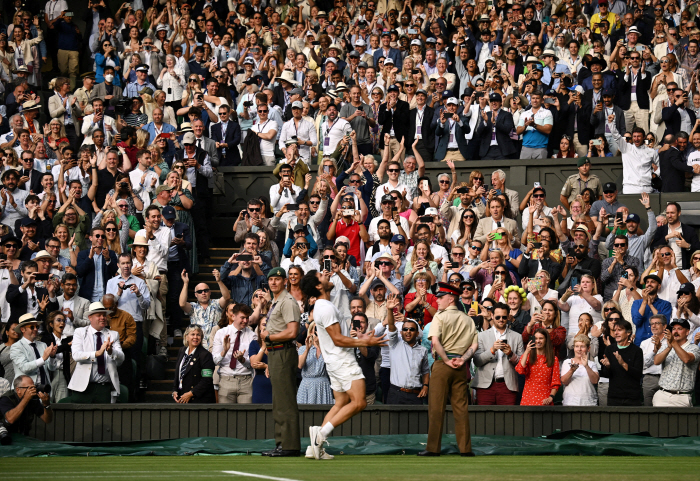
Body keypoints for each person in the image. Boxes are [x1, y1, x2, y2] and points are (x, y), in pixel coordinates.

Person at [302, 270, 387, 461]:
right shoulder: (325, 308)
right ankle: (320, 436)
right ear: (318, 286)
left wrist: (360, 338)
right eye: (321, 276)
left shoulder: (323, 306)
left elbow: (339, 338)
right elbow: (338, 339)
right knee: (359, 402)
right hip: (343, 361)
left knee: (340, 403)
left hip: (335, 362)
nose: (326, 275)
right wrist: (365, 343)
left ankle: (313, 447)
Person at [420, 282, 477, 457]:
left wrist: (445, 360)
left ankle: (433, 448)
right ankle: (465, 449)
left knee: (436, 408)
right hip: (460, 365)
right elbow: (474, 345)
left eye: (440, 297)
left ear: (451, 298)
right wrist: (462, 359)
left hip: (442, 365)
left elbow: (435, 342)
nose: (437, 300)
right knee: (461, 408)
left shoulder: (440, 316)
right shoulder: (468, 319)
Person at [259, 267, 301, 457]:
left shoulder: (287, 301)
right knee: (278, 401)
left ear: (285, 281)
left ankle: (290, 446)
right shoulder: (275, 301)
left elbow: (292, 332)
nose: (273, 282)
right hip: (275, 353)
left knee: (285, 401)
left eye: (277, 279)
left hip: (283, 352)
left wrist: (270, 337)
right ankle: (281, 444)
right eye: (271, 280)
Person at [62, 302, 125, 404]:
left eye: (104, 315)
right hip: (83, 387)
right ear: (90, 318)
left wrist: (111, 351)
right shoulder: (80, 332)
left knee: (103, 418)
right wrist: (96, 353)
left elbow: (121, 359)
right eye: (98, 315)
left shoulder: (113, 335)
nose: (103, 318)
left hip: (104, 387)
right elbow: (76, 355)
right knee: (79, 418)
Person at [473, 302, 524, 405]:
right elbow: (477, 361)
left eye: (504, 317)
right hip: (485, 385)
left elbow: (522, 365)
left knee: (508, 419)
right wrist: (492, 350)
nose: (501, 319)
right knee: (484, 418)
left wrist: (510, 354)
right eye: (497, 317)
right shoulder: (481, 336)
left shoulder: (517, 337)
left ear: (508, 317)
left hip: (508, 385)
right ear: (492, 316)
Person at [383, 295, 429, 405]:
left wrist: (426, 386)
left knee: (416, 423)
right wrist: (389, 310)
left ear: (417, 333)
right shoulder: (395, 344)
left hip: (416, 394)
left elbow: (425, 371)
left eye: (412, 329)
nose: (408, 331)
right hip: (396, 393)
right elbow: (391, 327)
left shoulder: (423, 350)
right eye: (405, 329)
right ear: (401, 332)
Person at [212, 304, 255, 404]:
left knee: (246, 416)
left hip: (246, 381)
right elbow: (215, 361)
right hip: (226, 380)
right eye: (242, 318)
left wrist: (242, 359)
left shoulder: (252, 336)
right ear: (233, 316)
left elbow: (252, 363)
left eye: (247, 318)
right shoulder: (221, 333)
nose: (245, 321)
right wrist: (224, 351)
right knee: (226, 417)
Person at [179, 269, 231, 350]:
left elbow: (227, 297)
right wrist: (185, 283)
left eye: (206, 290)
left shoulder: (216, 304)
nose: (203, 293)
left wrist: (219, 281)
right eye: (200, 291)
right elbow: (182, 304)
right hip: (198, 347)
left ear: (210, 292)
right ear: (196, 295)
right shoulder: (193, 307)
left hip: (216, 346)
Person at [600, 318, 644, 406]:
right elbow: (606, 374)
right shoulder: (609, 349)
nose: (616, 333)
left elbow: (638, 374)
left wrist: (623, 364)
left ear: (628, 333)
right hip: (614, 397)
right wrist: (608, 366)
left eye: (619, 330)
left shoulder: (637, 350)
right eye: (614, 330)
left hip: (632, 397)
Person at [516, 328, 562, 406]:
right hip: (528, 398)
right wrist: (526, 351)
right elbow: (520, 370)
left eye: (541, 338)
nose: (538, 341)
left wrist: (551, 397)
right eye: (536, 338)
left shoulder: (554, 359)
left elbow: (556, 382)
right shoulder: (527, 356)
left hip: (545, 399)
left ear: (546, 340)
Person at [10, 313, 57, 387]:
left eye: (37, 326)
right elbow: (24, 367)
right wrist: (43, 358)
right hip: (25, 389)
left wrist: (52, 357)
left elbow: (52, 369)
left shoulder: (43, 345)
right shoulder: (16, 347)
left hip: (44, 387)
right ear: (22, 329)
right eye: (32, 327)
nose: (35, 329)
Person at [172, 324, 216, 404]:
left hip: (199, 400)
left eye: (198, 335)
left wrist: (191, 393)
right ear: (186, 337)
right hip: (182, 398)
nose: (195, 337)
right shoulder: (182, 351)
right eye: (192, 334)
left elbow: (207, 380)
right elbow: (178, 373)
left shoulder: (205, 355)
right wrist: (175, 390)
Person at [297, 324, 334, 405]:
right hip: (307, 386)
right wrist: (307, 349)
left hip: (323, 385)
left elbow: (330, 364)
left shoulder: (327, 348)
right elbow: (300, 365)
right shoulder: (303, 348)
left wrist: (321, 346)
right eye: (317, 329)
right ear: (311, 332)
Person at [632, 274, 673, 346]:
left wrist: (650, 305)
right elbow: (636, 321)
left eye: (652, 282)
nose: (649, 284)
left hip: (658, 342)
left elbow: (664, 322)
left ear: (659, 286)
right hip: (640, 342)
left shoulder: (666, 304)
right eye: (647, 282)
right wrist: (644, 302)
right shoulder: (637, 303)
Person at [561, 334, 600, 406]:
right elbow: (564, 381)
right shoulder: (567, 362)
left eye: (582, 346)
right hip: (570, 402)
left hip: (589, 403)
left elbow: (595, 381)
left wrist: (586, 366)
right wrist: (571, 370)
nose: (579, 349)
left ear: (588, 349)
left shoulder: (592, 364)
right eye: (576, 346)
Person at [641, 314, 667, 406]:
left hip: (666, 378)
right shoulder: (645, 343)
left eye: (657, 323)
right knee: (648, 409)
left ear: (664, 326)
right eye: (652, 324)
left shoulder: (670, 342)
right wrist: (654, 352)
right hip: (649, 379)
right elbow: (643, 364)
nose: (654, 326)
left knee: (664, 407)